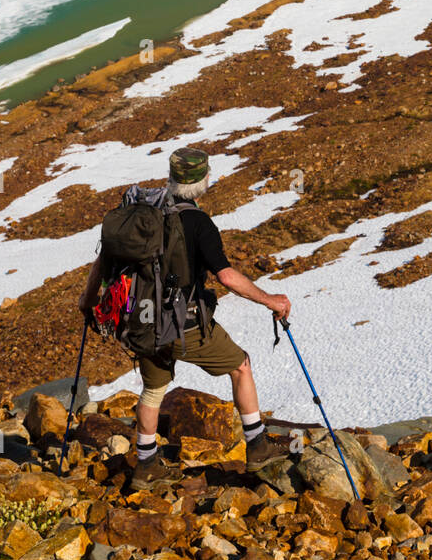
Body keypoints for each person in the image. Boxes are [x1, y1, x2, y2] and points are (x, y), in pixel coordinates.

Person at [79, 146, 291, 487]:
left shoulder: (141, 217)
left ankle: (146, 467)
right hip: (185, 326)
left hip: (142, 325)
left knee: (152, 392)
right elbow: (226, 276)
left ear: (172, 177)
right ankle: (257, 445)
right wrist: (271, 300)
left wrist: (86, 303)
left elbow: (101, 267)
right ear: (205, 180)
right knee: (241, 366)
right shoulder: (198, 223)